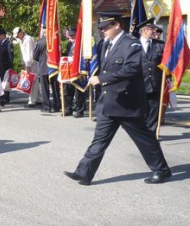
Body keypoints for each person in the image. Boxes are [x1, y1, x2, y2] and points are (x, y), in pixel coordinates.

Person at [64, 13, 172, 185]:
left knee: (144, 139)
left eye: (106, 27)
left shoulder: (131, 44)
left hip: (127, 104)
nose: (102, 31)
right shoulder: (104, 44)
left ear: (117, 25)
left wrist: (103, 79)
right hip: (109, 102)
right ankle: (84, 172)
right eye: (101, 28)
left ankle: (161, 170)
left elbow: (132, 69)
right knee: (99, 140)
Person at [138, 19, 165, 132]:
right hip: (138, 85)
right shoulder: (133, 45)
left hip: (155, 85)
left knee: (154, 111)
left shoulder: (160, 45)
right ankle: (142, 133)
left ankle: (151, 135)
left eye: (155, 29)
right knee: (140, 112)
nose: (155, 32)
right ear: (144, 31)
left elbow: (167, 62)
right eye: (152, 29)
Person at [12, 27, 40, 107]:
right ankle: (38, 99)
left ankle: (32, 101)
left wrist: (27, 65)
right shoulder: (22, 40)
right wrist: (23, 64)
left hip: (31, 63)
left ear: (21, 33)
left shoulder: (28, 39)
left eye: (17, 35)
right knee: (34, 82)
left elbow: (29, 53)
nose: (17, 37)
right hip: (28, 63)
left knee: (32, 82)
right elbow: (23, 54)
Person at [33, 31, 60, 113]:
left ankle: (46, 107)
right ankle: (57, 106)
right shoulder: (56, 40)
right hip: (54, 67)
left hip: (43, 67)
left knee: (45, 88)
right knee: (55, 88)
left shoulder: (40, 42)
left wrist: (41, 60)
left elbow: (35, 56)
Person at [63, 28, 85, 117]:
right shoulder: (69, 44)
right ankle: (68, 108)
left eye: (73, 35)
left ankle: (79, 110)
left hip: (78, 70)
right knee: (67, 90)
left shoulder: (81, 44)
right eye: (70, 35)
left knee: (79, 90)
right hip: (69, 70)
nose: (71, 37)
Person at [0, 29, 14, 105]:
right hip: (1, 66)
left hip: (6, 65)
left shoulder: (8, 44)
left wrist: (10, 66)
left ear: (3, 35)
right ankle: (2, 97)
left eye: (0, 35)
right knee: (1, 82)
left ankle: (6, 98)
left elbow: (10, 56)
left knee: (6, 82)